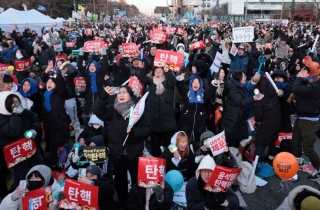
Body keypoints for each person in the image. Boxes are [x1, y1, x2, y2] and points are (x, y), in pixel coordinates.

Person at [93, 85, 150, 208]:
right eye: (119, 93)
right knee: (119, 179)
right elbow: (97, 110)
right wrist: (103, 96)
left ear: (130, 95)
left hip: (133, 152)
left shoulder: (138, 110)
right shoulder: (112, 110)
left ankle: (136, 201)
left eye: (124, 92)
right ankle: (122, 200)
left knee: (136, 178)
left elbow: (147, 129)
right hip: (116, 151)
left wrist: (134, 132)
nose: (121, 95)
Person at [0, 92, 43, 189]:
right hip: (16, 153)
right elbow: (12, 131)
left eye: (17, 101)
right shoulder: (2, 117)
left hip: (30, 147)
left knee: (38, 170)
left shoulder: (24, 112)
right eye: (13, 103)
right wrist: (15, 115)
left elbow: (35, 120)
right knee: (21, 177)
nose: (16, 104)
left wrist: (34, 130)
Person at [291, 65, 320, 181]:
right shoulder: (307, 82)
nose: (302, 72)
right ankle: (298, 161)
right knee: (295, 142)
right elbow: (294, 85)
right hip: (301, 118)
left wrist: (299, 78)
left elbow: (296, 89)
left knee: (308, 148)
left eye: (305, 71)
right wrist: (299, 77)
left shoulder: (315, 86)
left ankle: (318, 169)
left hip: (310, 121)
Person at [140, 65, 177, 157]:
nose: (158, 73)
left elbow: (173, 81)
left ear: (164, 73)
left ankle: (172, 159)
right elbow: (142, 79)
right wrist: (142, 68)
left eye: (160, 71)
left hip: (167, 119)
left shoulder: (168, 81)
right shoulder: (151, 82)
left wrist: (168, 71)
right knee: (155, 145)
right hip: (154, 119)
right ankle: (156, 160)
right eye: (156, 71)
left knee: (170, 144)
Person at [223, 70, 263, 149]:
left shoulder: (240, 86)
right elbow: (240, 102)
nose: (245, 78)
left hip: (238, 117)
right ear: (239, 78)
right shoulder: (233, 89)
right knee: (231, 140)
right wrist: (254, 98)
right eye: (244, 76)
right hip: (233, 118)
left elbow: (249, 85)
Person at [41, 71, 69, 167]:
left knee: (62, 144)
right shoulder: (44, 94)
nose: (49, 84)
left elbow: (62, 87)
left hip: (59, 123)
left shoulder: (59, 94)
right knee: (51, 144)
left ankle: (65, 161)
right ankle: (53, 163)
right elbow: (42, 79)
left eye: (52, 82)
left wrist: (59, 76)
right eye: (48, 82)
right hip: (48, 124)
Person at [254, 76, 281, 163]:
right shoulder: (274, 90)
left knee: (260, 141)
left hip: (266, 123)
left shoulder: (260, 95)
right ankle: (271, 157)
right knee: (272, 138)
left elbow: (259, 115)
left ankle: (256, 162)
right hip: (277, 120)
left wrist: (257, 120)